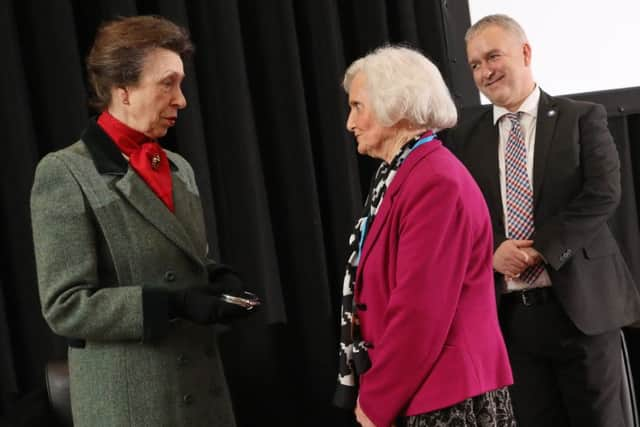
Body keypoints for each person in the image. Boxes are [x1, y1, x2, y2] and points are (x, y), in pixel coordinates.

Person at [30, 16, 258, 427]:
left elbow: (180, 259)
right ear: (123, 90)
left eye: (181, 84)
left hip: (203, 395)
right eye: (167, 83)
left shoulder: (178, 167)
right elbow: (65, 306)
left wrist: (217, 281)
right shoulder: (65, 172)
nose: (182, 99)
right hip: (134, 406)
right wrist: (172, 303)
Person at [446, 14, 640, 427]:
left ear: (526, 52)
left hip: (583, 312)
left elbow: (602, 194)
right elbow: (461, 216)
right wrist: (492, 252)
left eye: (493, 56)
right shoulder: (466, 135)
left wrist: (541, 250)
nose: (485, 71)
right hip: (513, 322)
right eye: (475, 64)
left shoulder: (581, 117)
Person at [333, 45, 515, 427]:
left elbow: (420, 312)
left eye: (358, 107)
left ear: (395, 106)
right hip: (422, 388)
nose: (350, 123)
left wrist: (376, 401)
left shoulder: (434, 181)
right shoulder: (400, 173)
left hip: (444, 396)